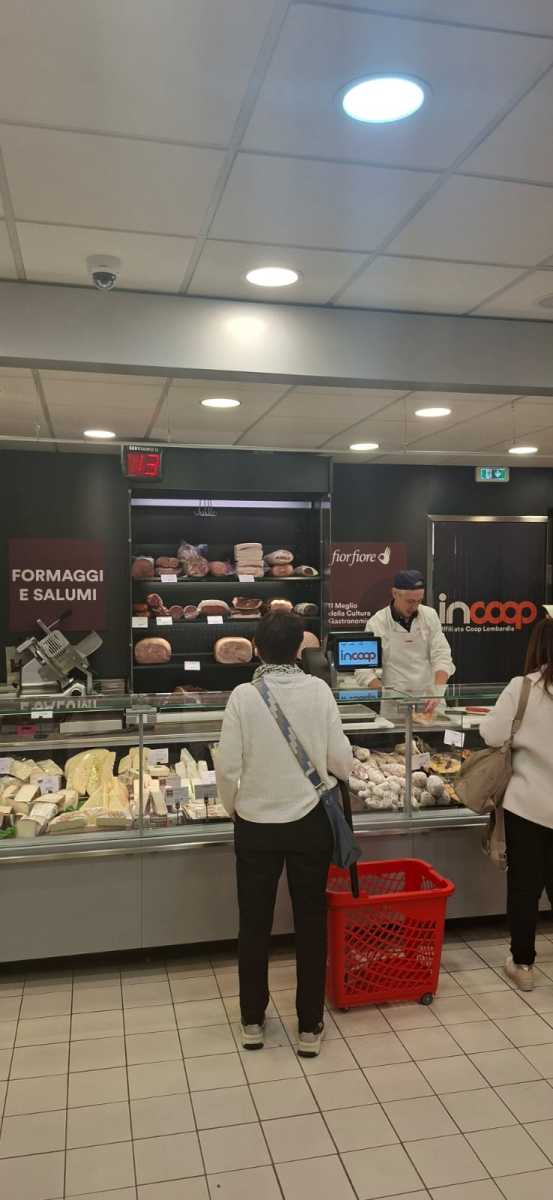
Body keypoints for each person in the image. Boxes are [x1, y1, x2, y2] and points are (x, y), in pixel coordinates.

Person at [215, 611, 354, 1057]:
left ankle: (252, 1022)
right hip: (309, 821)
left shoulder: (243, 696)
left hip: (255, 824)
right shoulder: (319, 691)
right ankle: (309, 1026)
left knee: (253, 924)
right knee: (311, 922)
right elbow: (341, 761)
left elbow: (227, 766)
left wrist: (234, 807)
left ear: (256, 648)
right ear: (299, 650)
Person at [480, 618, 553, 991]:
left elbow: (491, 733)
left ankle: (523, 964)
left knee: (524, 888)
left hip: (527, 807)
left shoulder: (522, 688)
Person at [354, 569, 455, 714]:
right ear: (395, 594)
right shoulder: (377, 623)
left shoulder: (430, 615)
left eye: (419, 601)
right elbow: (363, 670)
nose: (414, 607)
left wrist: (437, 691)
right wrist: (386, 694)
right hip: (395, 707)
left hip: (430, 701)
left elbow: (442, 656)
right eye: (410, 601)